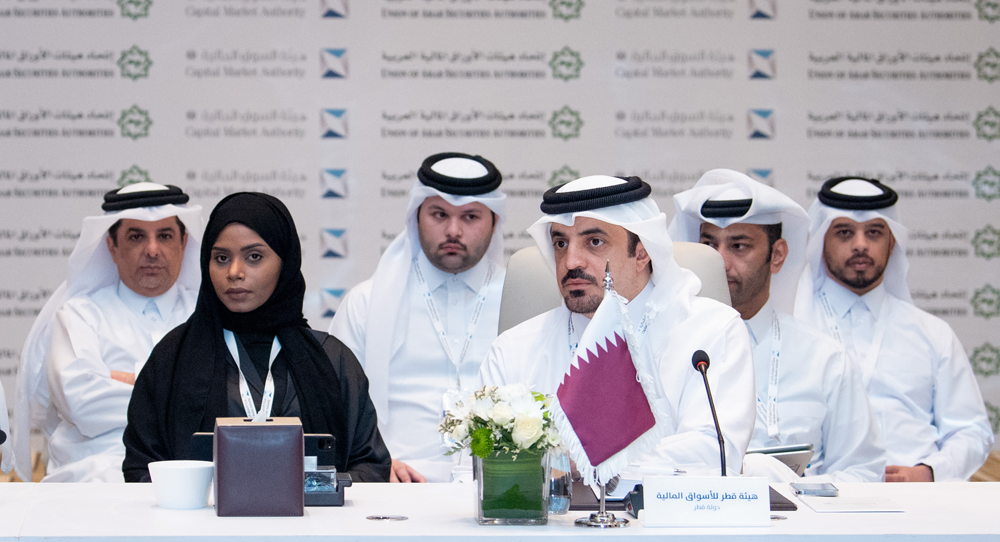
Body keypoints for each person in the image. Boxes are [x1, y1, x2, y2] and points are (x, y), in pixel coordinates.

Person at [478, 175, 756, 476]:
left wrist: (581, 463)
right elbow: (482, 465)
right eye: (561, 243)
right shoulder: (513, 349)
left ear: (642, 253)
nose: (571, 261)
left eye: (594, 242)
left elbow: (714, 454)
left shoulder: (711, 332)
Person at [122, 191, 390, 483]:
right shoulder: (172, 358)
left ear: (284, 262)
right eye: (221, 258)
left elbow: (370, 465)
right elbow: (141, 468)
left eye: (254, 257)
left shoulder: (331, 359)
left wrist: (315, 492)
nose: (234, 272)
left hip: (310, 514)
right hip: (201, 514)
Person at [670, 169, 884, 482]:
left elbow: (864, 473)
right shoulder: (666, 350)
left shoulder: (825, 359)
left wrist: (788, 487)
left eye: (739, 246)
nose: (721, 262)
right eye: (709, 245)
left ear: (777, 255)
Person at [794, 177, 992, 481]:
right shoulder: (794, 328)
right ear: (820, 241)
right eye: (844, 232)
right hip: (821, 496)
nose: (860, 244)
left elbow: (971, 431)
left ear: (892, 242)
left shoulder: (932, 333)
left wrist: (929, 472)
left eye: (874, 232)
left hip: (918, 498)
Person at [6, 183, 202, 483]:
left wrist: (125, 379)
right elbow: (83, 405)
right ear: (112, 246)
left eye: (164, 236)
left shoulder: (206, 317)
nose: (152, 250)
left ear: (184, 243)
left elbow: (226, 402)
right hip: (94, 481)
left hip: (194, 480)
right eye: (136, 237)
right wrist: (182, 394)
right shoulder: (79, 316)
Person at [330, 152, 506, 482]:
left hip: (500, 486)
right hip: (393, 487)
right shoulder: (366, 303)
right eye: (439, 214)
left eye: (470, 217)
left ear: (494, 222)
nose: (453, 230)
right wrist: (373, 463)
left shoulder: (519, 301)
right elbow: (333, 406)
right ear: (416, 217)